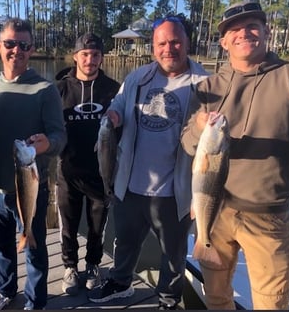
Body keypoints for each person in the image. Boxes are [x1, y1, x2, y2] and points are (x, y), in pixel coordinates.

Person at [181, 0, 289, 310]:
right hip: (214, 212)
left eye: (252, 27)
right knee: (217, 297)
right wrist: (199, 125)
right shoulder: (207, 87)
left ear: (266, 32)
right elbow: (189, 144)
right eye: (234, 30)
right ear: (224, 41)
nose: (244, 34)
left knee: (272, 303)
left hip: (268, 215)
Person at [88, 16, 210, 309]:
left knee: (174, 251)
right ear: (154, 46)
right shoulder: (137, 78)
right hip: (131, 183)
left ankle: (168, 299)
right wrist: (114, 115)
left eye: (175, 41)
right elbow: (118, 103)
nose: (169, 48)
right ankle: (120, 282)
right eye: (162, 43)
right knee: (125, 241)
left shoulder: (205, 83)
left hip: (175, 190)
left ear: (187, 43)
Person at [0, 18, 67, 310]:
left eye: (24, 45)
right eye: (10, 43)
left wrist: (48, 144)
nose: (16, 50)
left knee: (34, 247)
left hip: (31, 186)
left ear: (31, 50)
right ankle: (5, 289)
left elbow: (59, 135)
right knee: (1, 246)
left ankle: (36, 301)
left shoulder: (45, 89)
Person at [54, 32, 120, 296]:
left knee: (97, 226)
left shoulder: (114, 90)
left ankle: (93, 265)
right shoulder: (59, 89)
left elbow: (127, 126)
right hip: (67, 171)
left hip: (101, 172)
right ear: (76, 56)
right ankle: (70, 267)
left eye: (95, 55)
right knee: (68, 226)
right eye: (85, 54)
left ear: (101, 58)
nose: (90, 59)